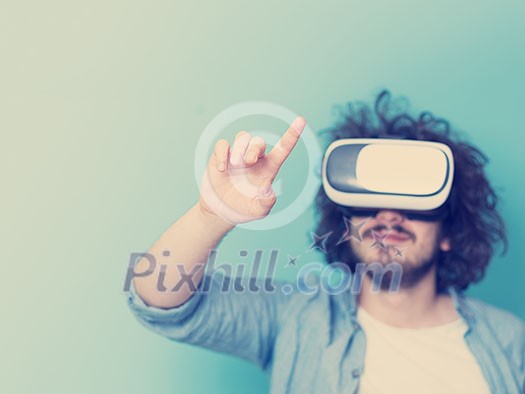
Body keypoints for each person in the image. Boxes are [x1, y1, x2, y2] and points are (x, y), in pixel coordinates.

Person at [126, 91, 525, 393]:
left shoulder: (510, 341)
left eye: (413, 201)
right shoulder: (296, 318)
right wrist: (211, 216)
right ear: (345, 220)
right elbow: (158, 299)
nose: (387, 215)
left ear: (450, 234)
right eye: (369, 200)